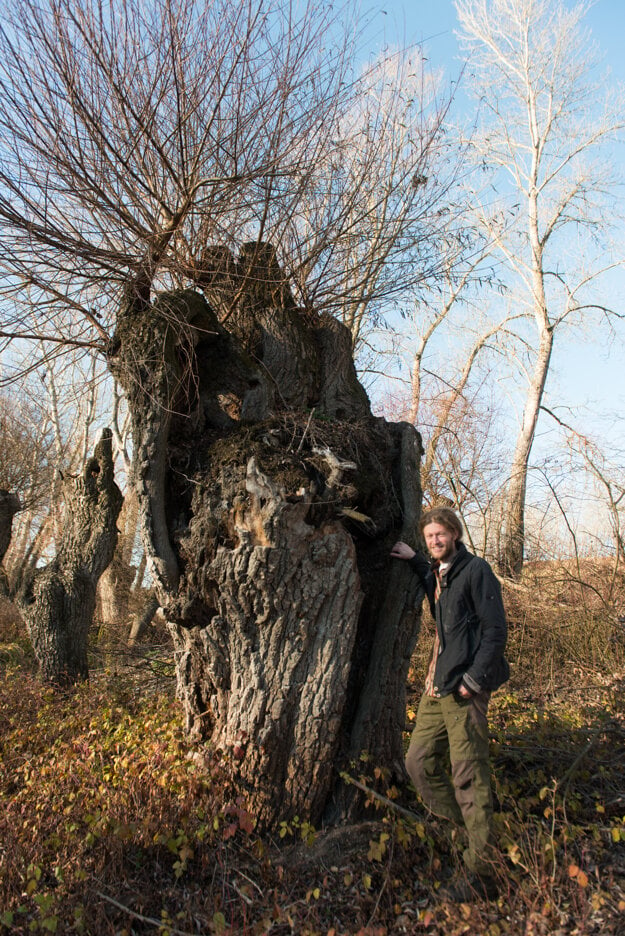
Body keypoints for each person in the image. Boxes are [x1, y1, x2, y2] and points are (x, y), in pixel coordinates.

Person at [391, 507, 509, 902]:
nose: (435, 541)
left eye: (440, 534)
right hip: (436, 686)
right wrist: (414, 560)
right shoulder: (440, 574)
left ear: (455, 534)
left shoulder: (477, 571)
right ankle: (470, 837)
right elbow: (433, 582)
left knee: (468, 777)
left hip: (463, 689)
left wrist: (472, 683)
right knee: (418, 763)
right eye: (429, 537)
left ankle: (483, 873)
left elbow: (495, 632)